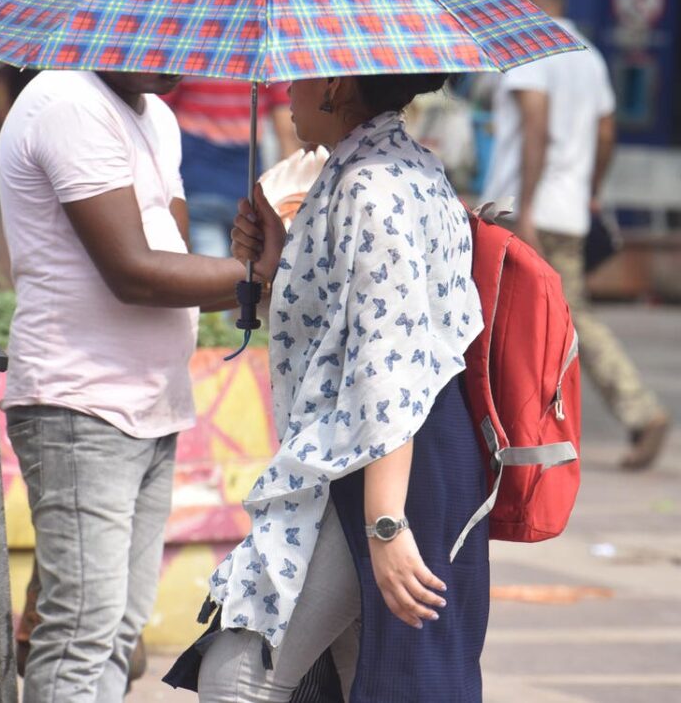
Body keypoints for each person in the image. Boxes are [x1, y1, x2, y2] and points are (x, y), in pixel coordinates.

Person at [192, 72, 488, 702]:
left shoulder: (367, 185)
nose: (283, 91)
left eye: (295, 77)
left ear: (335, 85)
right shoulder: (407, 166)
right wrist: (275, 262)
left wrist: (385, 525)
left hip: (382, 455)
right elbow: (349, 326)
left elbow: (389, 360)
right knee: (367, 678)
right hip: (401, 448)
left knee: (239, 677)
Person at [0, 68, 248, 702]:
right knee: (83, 633)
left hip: (151, 405)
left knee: (118, 635)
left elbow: (178, 257)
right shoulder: (67, 102)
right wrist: (263, 273)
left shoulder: (156, 117)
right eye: (165, 25)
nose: (182, 52)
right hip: (82, 407)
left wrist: (258, 253)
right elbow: (135, 273)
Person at [482, 0, 671, 471]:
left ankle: (635, 410)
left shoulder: (528, 44)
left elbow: (536, 125)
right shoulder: (587, 54)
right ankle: (513, 433)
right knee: (543, 322)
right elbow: (607, 132)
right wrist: (590, 190)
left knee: (534, 322)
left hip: (526, 213)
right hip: (567, 213)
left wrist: (526, 212)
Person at [162, 77, 300, 257]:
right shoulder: (266, 64)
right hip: (246, 185)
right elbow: (287, 133)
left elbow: (161, 113)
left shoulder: (191, 58)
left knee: (209, 265)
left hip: (198, 182)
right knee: (244, 264)